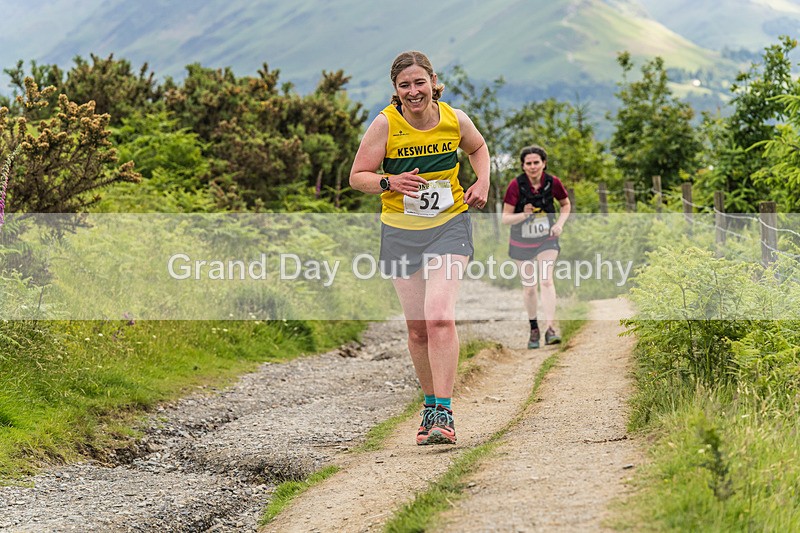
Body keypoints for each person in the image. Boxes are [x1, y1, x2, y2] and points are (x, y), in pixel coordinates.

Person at [350, 50, 490, 445]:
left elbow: (478, 148)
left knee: (439, 316)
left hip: (449, 224)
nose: (413, 92)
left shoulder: (454, 119)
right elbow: (356, 176)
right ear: (395, 90)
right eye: (404, 85)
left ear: (433, 81)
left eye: (419, 83)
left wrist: (482, 183)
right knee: (417, 330)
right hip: (400, 231)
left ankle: (444, 411)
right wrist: (388, 182)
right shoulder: (385, 125)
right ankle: (429, 404)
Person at [501, 145, 570, 349]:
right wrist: (524, 215)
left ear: (543, 164)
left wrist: (559, 224)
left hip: (546, 239)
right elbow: (505, 219)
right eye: (528, 163)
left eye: (536, 163)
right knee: (530, 288)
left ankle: (550, 329)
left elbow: (565, 204)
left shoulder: (553, 182)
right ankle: (534, 329)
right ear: (523, 166)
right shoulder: (515, 186)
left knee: (546, 281)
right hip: (521, 242)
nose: (532, 167)